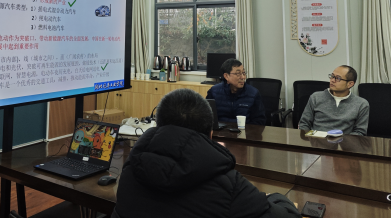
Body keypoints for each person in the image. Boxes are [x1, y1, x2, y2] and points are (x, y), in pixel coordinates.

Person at [113, 89, 301, 218]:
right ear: (211, 134)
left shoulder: (130, 171)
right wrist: (275, 197)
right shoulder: (228, 185)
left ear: (159, 127)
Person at [298, 65, 369, 135]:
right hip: (316, 140)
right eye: (332, 76)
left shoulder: (361, 104)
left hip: (344, 141)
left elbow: (360, 132)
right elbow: (304, 124)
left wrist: (343, 140)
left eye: (338, 78)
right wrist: (311, 139)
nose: (332, 80)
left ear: (350, 84)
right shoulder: (316, 97)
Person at [206, 58, 266, 125]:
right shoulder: (214, 91)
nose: (243, 77)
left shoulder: (253, 93)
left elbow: (259, 121)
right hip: (221, 130)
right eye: (238, 74)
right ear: (226, 76)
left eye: (243, 73)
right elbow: (206, 116)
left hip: (245, 130)